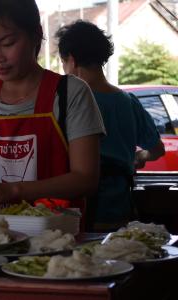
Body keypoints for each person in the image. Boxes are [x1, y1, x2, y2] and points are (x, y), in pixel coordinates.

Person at [0, 0, 106, 217]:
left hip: (53, 238)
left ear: (36, 35)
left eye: (7, 43)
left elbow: (86, 178)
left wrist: (14, 190)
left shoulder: (69, 93)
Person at [55, 20, 165, 231]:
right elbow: (157, 150)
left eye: (63, 62)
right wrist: (139, 157)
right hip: (121, 212)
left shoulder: (68, 102)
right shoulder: (128, 101)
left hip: (80, 212)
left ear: (72, 60)